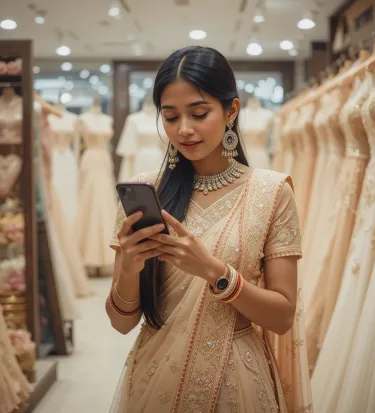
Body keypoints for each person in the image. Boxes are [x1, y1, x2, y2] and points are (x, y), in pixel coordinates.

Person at [106, 46, 312, 413]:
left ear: (231, 111)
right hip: (155, 378)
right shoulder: (147, 191)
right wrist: (129, 267)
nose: (184, 129)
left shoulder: (271, 192)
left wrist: (215, 272)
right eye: (170, 117)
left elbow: (282, 317)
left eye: (199, 113)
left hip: (237, 380)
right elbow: (121, 324)